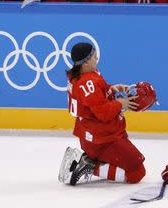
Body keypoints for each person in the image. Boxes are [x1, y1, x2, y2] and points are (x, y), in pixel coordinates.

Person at [58, 42, 146, 186]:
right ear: (85, 63)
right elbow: (104, 113)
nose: (97, 57)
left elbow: (93, 99)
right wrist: (120, 103)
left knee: (132, 164)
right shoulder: (87, 83)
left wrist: (111, 89)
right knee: (137, 173)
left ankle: (94, 160)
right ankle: (90, 166)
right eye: (93, 56)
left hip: (95, 136)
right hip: (101, 140)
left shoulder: (82, 76)